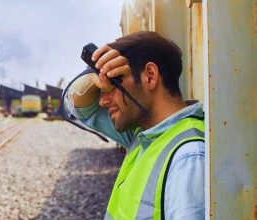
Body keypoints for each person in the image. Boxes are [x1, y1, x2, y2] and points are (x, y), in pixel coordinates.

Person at [65, 31, 205, 219]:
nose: (103, 100)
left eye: (112, 84)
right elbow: (80, 106)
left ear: (149, 76)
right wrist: (95, 76)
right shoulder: (144, 136)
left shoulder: (188, 157)